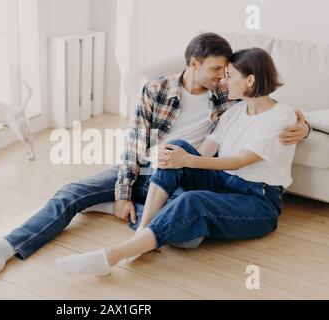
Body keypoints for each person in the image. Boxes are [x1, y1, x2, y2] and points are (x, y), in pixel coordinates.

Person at [0, 34, 310, 275]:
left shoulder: (227, 96)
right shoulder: (157, 89)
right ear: (193, 64)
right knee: (71, 192)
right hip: (150, 168)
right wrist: (122, 189)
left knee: (186, 231)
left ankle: (137, 233)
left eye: (226, 72)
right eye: (216, 69)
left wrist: (303, 124)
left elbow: (264, 102)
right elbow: (135, 142)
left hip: (183, 175)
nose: (221, 77)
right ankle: (2, 248)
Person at [55, 47, 298, 277]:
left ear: (251, 81)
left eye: (230, 76)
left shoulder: (282, 116)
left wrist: (189, 161)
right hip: (224, 182)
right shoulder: (234, 113)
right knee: (176, 147)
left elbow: (238, 161)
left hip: (258, 201)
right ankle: (144, 231)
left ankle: (111, 256)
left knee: (191, 201)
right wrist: (178, 158)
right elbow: (204, 152)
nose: (223, 82)